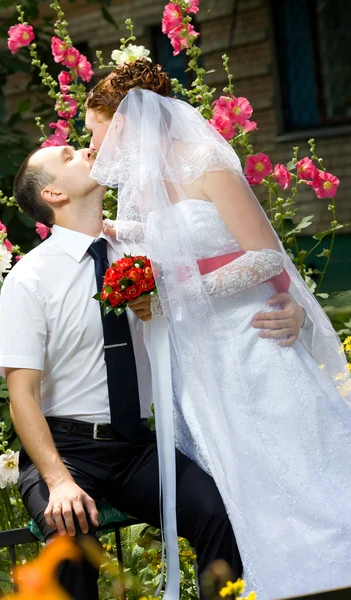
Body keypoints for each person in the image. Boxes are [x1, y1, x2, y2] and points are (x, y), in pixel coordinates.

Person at [86, 59, 351, 599]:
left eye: (99, 135)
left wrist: (180, 292)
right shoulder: (144, 182)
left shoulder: (205, 160)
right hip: (200, 357)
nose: (99, 152)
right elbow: (169, 236)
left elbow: (262, 254)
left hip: (251, 339)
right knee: (245, 481)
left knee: (299, 466)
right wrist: (115, 227)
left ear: (130, 123)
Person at [0, 143, 306, 600]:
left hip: (136, 445)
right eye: (67, 155)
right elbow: (21, 394)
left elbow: (240, 261)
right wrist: (58, 480)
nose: (83, 148)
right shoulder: (29, 278)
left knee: (219, 514)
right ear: (55, 194)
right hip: (67, 451)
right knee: (69, 548)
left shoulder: (144, 246)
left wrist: (292, 307)